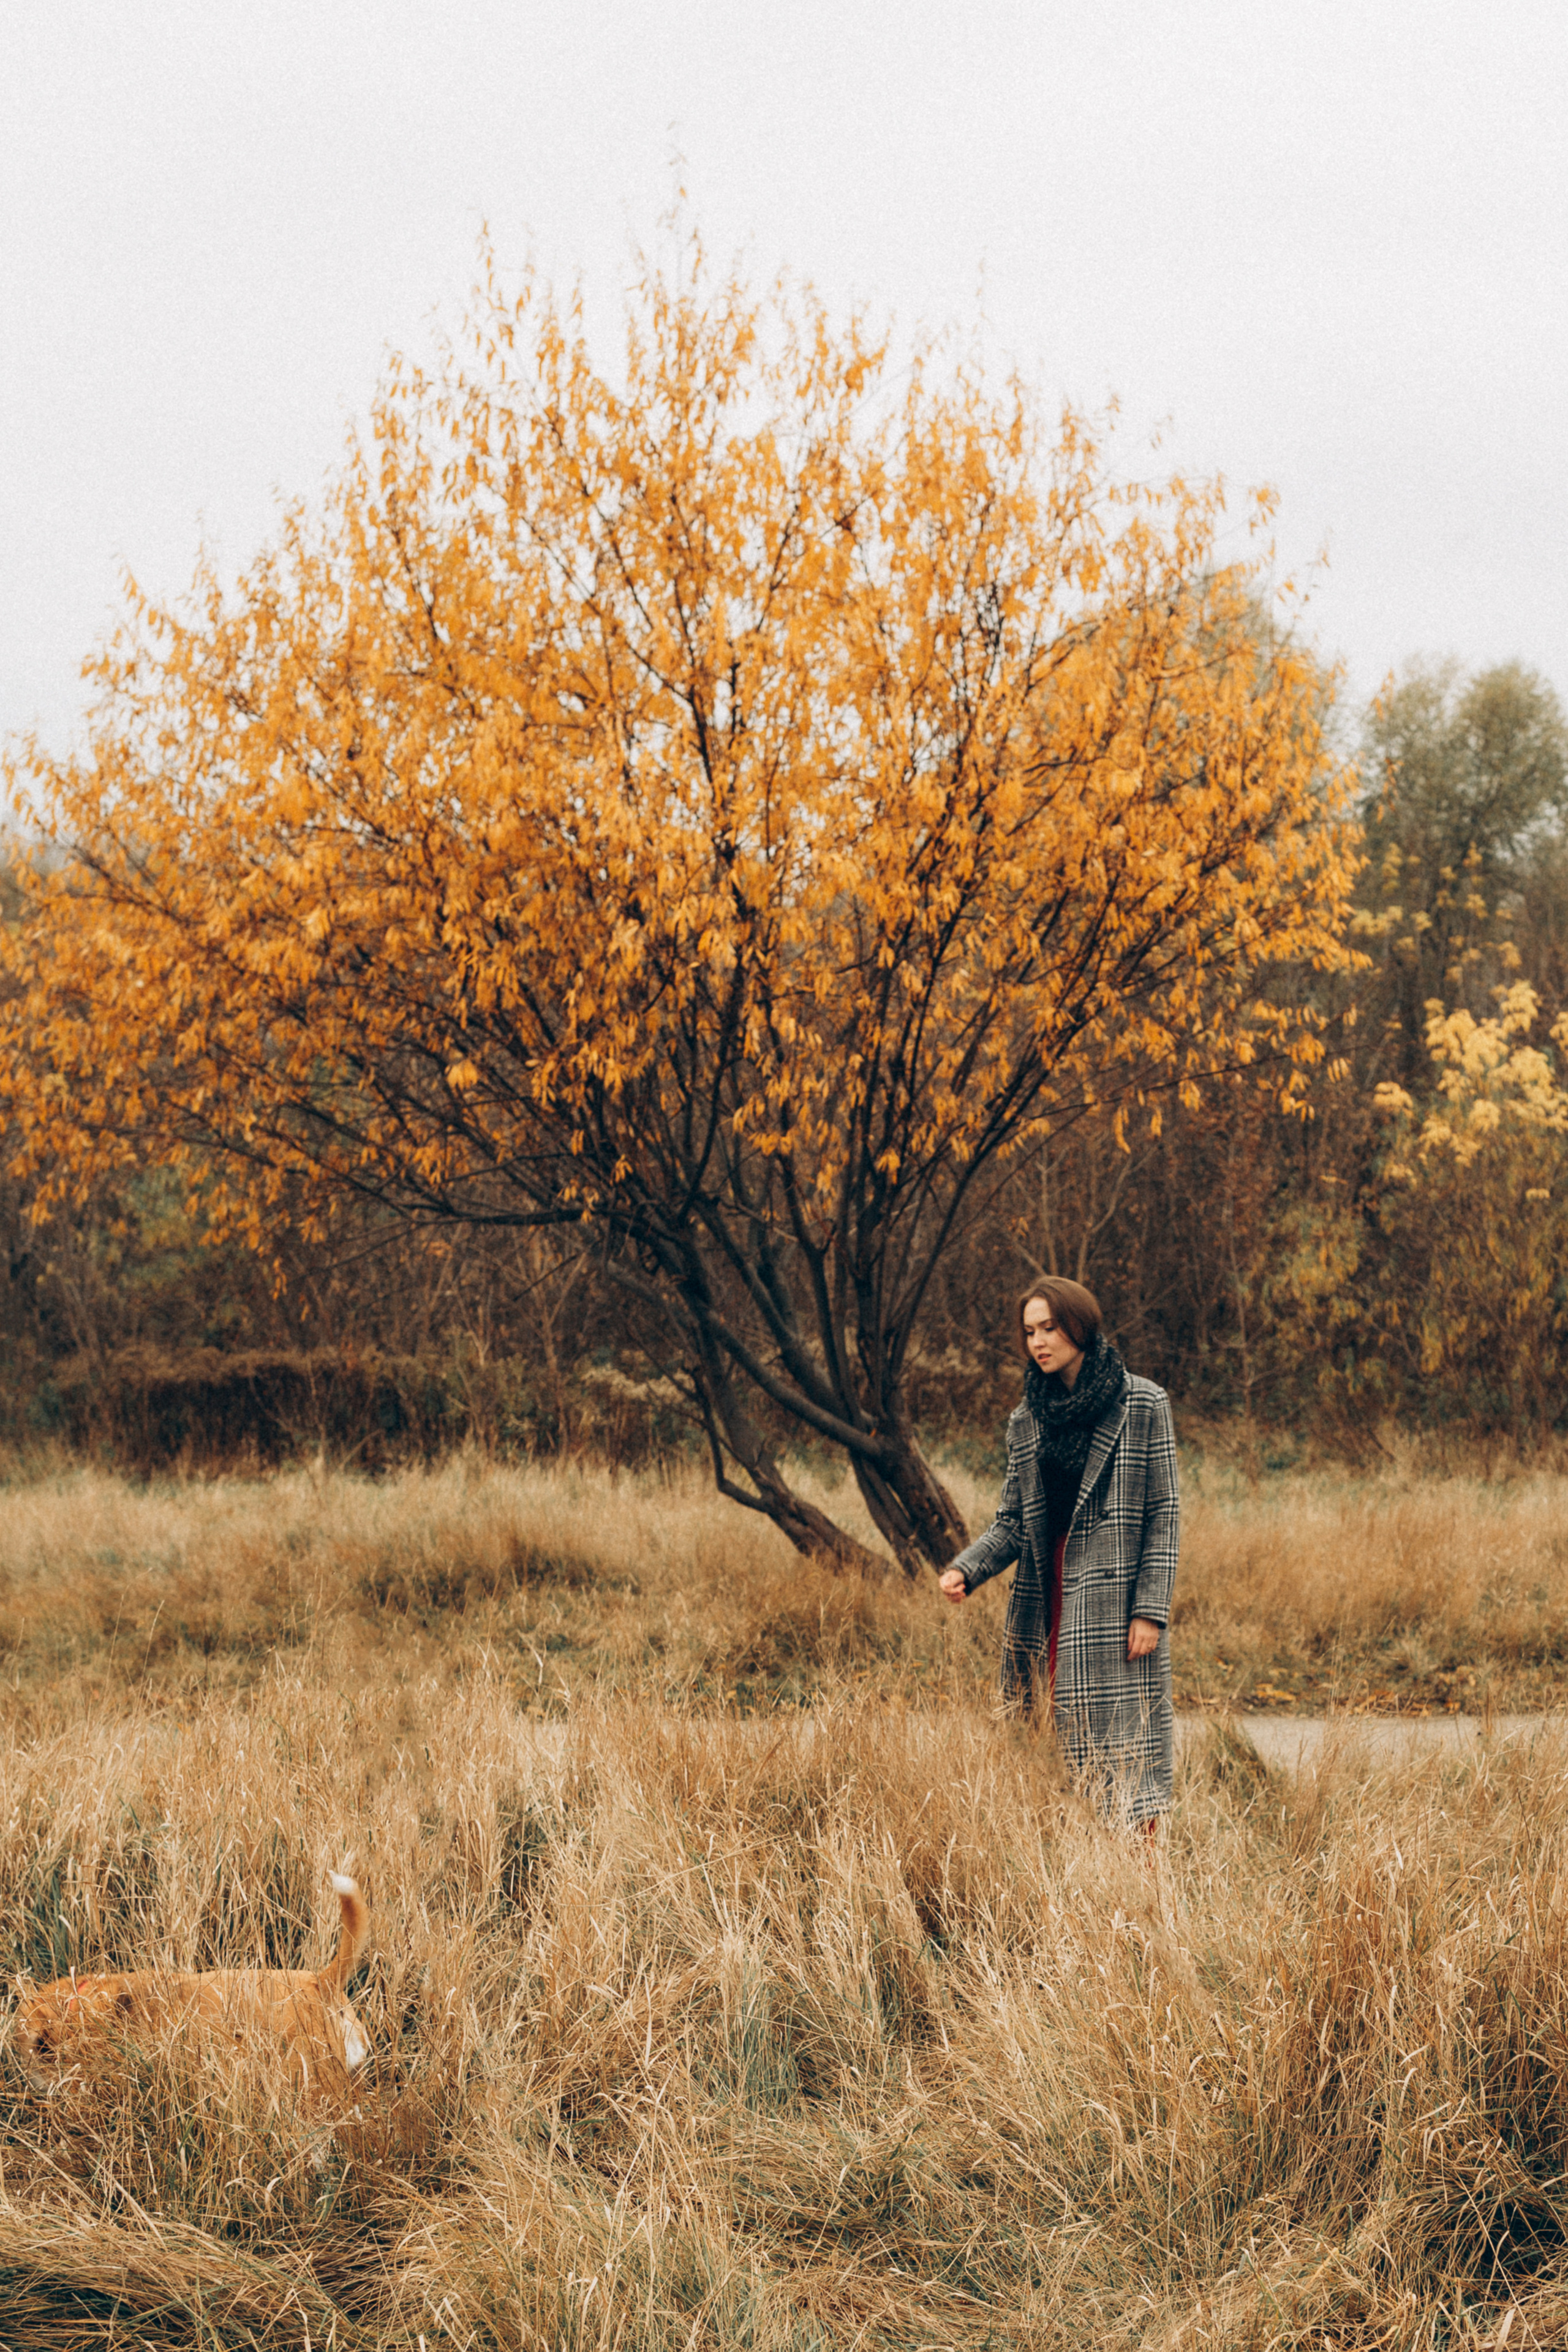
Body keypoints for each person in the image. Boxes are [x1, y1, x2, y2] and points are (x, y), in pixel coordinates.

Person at [938, 1277, 1178, 1830]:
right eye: (1030, 1332)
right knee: (1051, 1731)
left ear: (1079, 1325)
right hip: (1048, 1591)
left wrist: (1150, 1609)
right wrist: (966, 1569)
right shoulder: (1026, 1420)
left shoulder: (1143, 1402)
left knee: (1128, 1740)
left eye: (1049, 1328)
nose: (1039, 1342)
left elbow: (1163, 1514)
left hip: (1115, 1599)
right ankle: (1071, 1857)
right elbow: (1014, 1522)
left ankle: (1139, 1868)